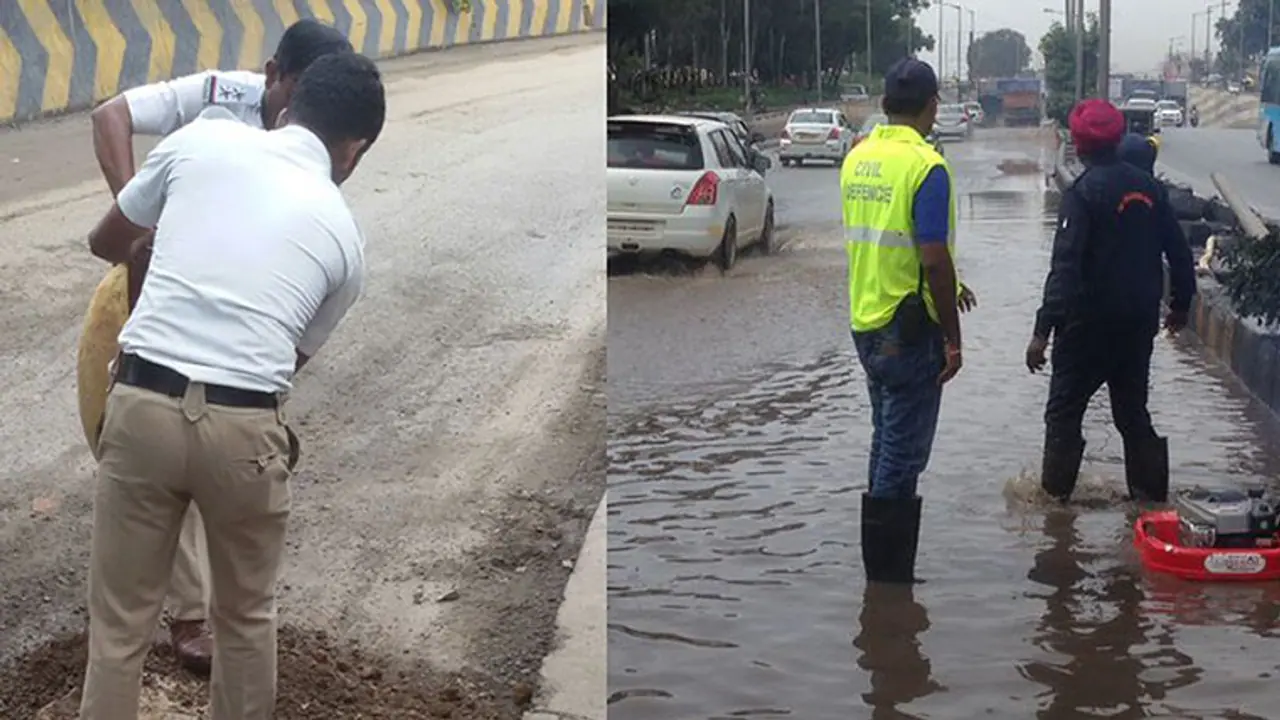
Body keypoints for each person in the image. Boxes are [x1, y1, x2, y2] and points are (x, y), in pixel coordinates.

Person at [78, 52, 385, 719]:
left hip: (142, 406)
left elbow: (107, 241)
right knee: (246, 620)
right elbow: (284, 361)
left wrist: (161, 243)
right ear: (354, 150)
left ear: (288, 106)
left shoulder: (201, 142)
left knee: (120, 625)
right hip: (243, 432)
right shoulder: (346, 239)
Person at [842, 58, 975, 585]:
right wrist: (954, 339)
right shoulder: (927, 166)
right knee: (903, 455)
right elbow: (933, 257)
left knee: (886, 440)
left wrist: (953, 287)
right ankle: (888, 585)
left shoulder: (858, 157)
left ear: (884, 104)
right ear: (932, 106)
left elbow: (885, 237)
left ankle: (881, 586)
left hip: (866, 319)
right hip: (910, 328)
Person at [1026, 100, 1196, 505]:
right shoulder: (1150, 189)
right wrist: (1180, 304)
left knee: (1064, 414)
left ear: (1079, 144)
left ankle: (1054, 509)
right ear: (1118, 138)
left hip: (1085, 328)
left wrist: (1041, 331)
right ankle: (1151, 504)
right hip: (1137, 324)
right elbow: (1179, 251)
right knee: (1132, 413)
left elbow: (1065, 267)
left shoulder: (1082, 194)